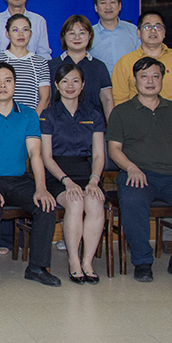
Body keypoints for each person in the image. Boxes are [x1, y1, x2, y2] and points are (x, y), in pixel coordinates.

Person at [107, 57, 172, 283]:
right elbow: (114, 149)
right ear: (134, 80)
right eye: (144, 76)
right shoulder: (121, 112)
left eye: (155, 76)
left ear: (162, 79)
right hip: (137, 175)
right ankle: (142, 262)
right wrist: (131, 167)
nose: (150, 81)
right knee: (133, 200)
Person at [0, 62, 60, 290]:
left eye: (8, 80)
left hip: (20, 179)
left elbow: (35, 154)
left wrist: (41, 188)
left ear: (15, 84)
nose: (2, 85)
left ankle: (37, 268)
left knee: (46, 205)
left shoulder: (28, 114)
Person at [39, 63, 105, 284]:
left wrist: (94, 180)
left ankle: (88, 261)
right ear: (57, 85)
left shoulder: (93, 114)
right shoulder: (48, 115)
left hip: (86, 173)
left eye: (75, 81)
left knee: (94, 201)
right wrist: (66, 181)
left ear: (83, 84)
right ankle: (74, 260)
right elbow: (46, 157)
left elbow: (99, 155)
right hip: (57, 174)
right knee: (75, 202)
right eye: (65, 81)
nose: (70, 85)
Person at [111, 10, 172, 115]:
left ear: (164, 33)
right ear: (138, 33)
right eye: (147, 27)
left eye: (158, 27)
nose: (153, 31)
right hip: (137, 119)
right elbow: (120, 99)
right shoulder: (125, 62)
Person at [48, 15, 114, 120]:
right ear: (64, 36)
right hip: (58, 124)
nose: (77, 37)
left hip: (92, 124)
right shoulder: (51, 66)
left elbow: (107, 100)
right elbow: (46, 99)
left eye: (82, 33)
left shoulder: (99, 66)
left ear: (90, 36)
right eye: (72, 33)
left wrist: (112, 127)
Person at [0, 14, 51, 115]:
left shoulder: (40, 62)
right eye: (15, 30)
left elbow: (45, 98)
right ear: (7, 34)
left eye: (25, 30)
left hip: (30, 119)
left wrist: (33, 120)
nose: (21, 34)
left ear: (30, 33)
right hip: (1, 119)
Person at [89, 0, 140, 74]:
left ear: (120, 6)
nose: (108, 7)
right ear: (96, 7)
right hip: (100, 82)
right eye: (103, 3)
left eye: (112, 2)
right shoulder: (89, 34)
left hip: (129, 81)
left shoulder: (133, 30)